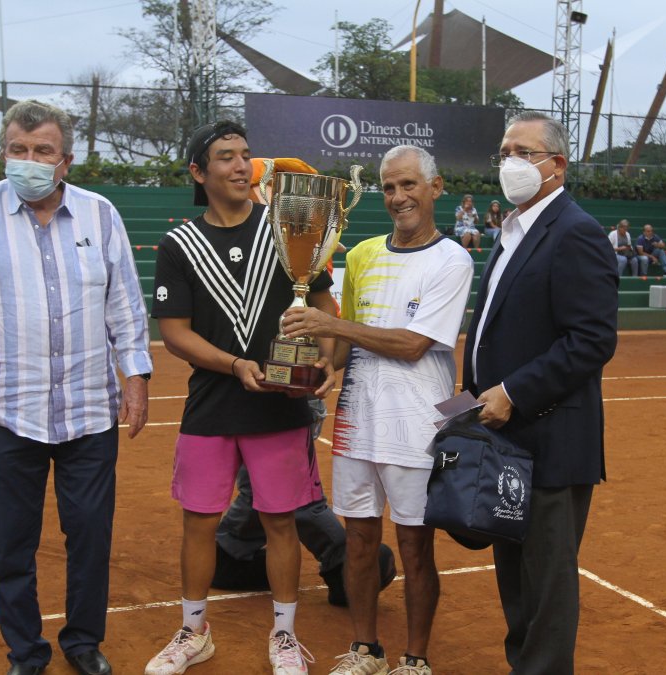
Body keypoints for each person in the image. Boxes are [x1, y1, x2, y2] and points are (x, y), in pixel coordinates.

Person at [0, 99, 152, 675]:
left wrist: (136, 378)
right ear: (4, 152)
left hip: (89, 410)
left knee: (90, 539)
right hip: (5, 411)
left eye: (42, 152)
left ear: (66, 161)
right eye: (17, 150)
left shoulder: (101, 215)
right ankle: (26, 652)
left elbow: (124, 304)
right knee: (10, 545)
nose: (28, 161)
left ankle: (82, 643)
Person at [145, 121, 338, 675]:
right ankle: (193, 631)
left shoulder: (288, 228)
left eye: (245, 156)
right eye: (225, 157)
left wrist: (328, 355)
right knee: (199, 521)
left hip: (280, 403)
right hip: (210, 405)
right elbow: (175, 332)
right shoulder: (179, 245)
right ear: (198, 173)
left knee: (280, 522)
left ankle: (284, 636)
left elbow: (322, 299)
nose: (239, 166)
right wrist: (233, 364)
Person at [281, 145, 474, 675]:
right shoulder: (362, 253)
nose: (398, 197)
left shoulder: (452, 259)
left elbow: (414, 344)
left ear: (435, 189)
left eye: (409, 185)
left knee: (414, 548)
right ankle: (365, 648)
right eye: (389, 187)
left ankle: (415, 659)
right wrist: (316, 363)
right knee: (359, 542)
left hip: (418, 427)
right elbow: (345, 347)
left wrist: (333, 327)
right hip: (357, 421)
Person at [464, 111, 618, 674]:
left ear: (557, 165)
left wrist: (514, 392)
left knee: (547, 583)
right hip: (505, 437)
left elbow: (593, 340)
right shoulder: (511, 233)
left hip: (552, 442)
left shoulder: (576, 232)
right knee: (515, 577)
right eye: (504, 151)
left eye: (522, 152)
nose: (510, 163)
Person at [211, 156, 397, 608]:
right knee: (263, 480)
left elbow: (324, 311)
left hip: (291, 383)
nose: (250, 194)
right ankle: (236, 548)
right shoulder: (236, 239)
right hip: (244, 383)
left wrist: (321, 365)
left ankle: (338, 558)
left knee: (280, 482)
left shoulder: (301, 243)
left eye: (256, 188)